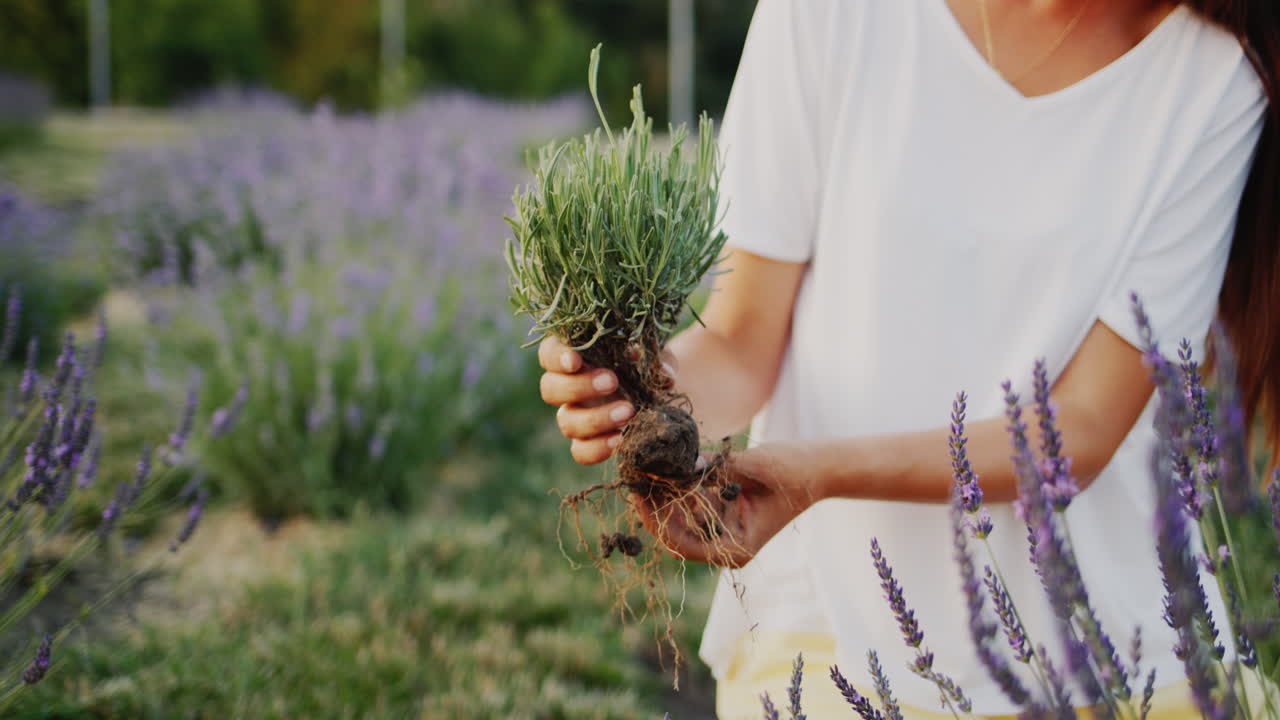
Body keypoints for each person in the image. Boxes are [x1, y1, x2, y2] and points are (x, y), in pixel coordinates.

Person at [537, 0, 1278, 717]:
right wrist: (641, 390)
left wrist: (817, 474)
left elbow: (1078, 428)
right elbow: (740, 344)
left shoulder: (1215, 77)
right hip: (830, 641)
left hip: (1111, 660)